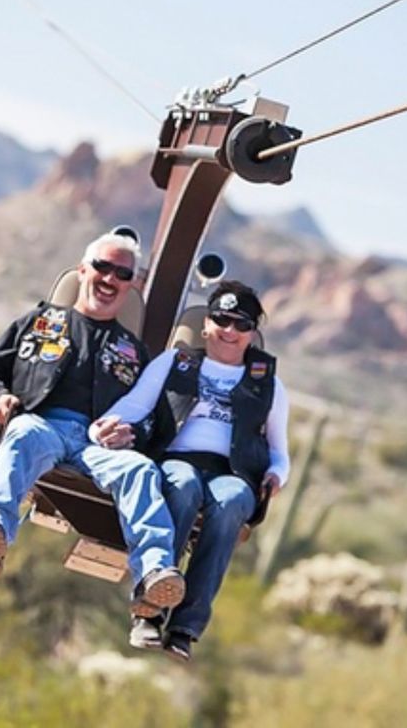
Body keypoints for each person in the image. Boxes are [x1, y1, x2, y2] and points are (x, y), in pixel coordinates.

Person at [0, 231, 185, 617]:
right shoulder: (38, 321)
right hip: (41, 424)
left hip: (98, 447)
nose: (110, 279)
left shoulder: (135, 353)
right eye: (102, 267)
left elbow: (158, 422)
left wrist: (132, 433)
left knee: (140, 469)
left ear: (132, 284)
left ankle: (154, 571)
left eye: (122, 273)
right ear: (83, 270)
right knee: (21, 434)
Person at [90, 280, 290, 661]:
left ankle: (186, 626)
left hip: (234, 473)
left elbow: (280, 451)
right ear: (206, 325)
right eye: (221, 319)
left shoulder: (270, 385)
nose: (229, 331)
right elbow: (135, 406)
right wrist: (104, 425)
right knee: (181, 486)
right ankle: (151, 607)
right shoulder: (175, 362)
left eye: (241, 324)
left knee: (231, 501)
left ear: (253, 334)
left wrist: (277, 475)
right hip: (179, 457)